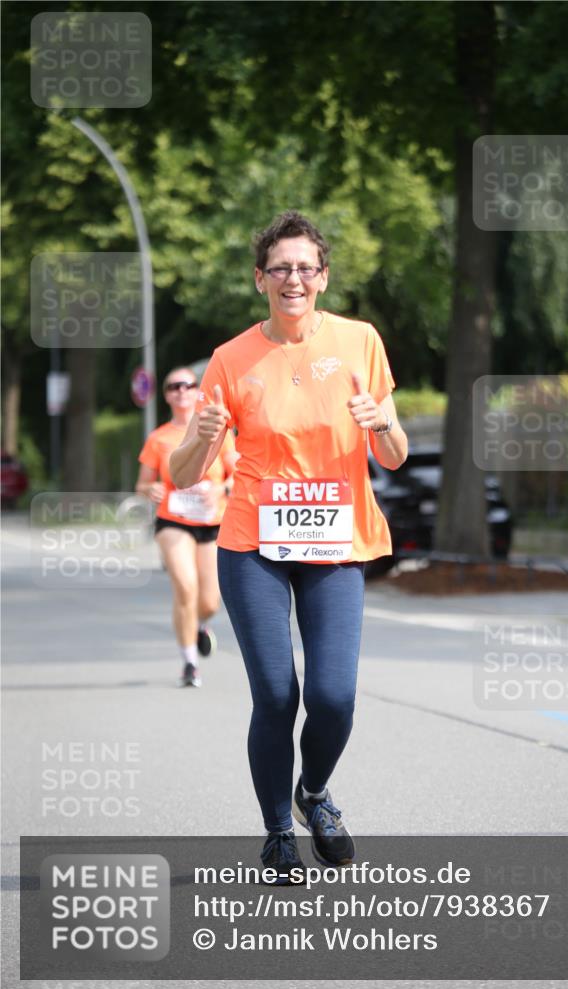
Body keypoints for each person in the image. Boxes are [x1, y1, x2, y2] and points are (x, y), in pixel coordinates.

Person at [170, 211, 408, 878]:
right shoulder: (230, 359)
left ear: (323, 278)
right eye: (280, 267)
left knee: (333, 696)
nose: (293, 278)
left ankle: (313, 794)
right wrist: (200, 434)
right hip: (252, 544)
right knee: (276, 695)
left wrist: (379, 423)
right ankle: (278, 830)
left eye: (305, 267)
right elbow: (186, 475)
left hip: (337, 543)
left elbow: (392, 455)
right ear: (259, 280)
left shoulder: (361, 342)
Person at [136, 367, 238, 688]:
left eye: (188, 385)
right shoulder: (159, 437)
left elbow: (238, 474)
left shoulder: (217, 431)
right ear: (166, 394)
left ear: (198, 392)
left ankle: (197, 625)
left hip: (211, 521)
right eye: (174, 386)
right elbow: (142, 484)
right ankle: (190, 663)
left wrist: (220, 489)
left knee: (209, 601)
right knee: (185, 586)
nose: (182, 391)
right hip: (173, 521)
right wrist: (148, 490)